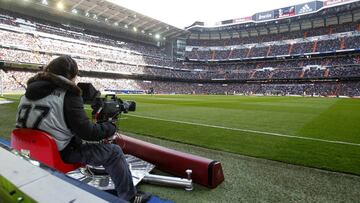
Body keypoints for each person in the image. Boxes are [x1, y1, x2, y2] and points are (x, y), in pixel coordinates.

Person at [15, 55, 150, 203]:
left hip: (28, 151)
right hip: (60, 155)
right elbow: (88, 133)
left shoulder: (25, 95)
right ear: (70, 76)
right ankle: (129, 197)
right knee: (114, 152)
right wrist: (110, 127)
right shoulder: (68, 94)